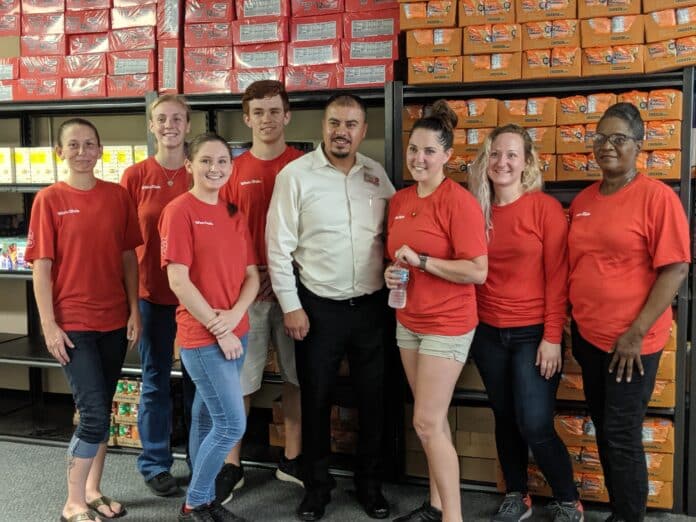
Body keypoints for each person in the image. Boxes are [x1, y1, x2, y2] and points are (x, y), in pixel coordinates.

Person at [266, 94, 395, 521]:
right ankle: (316, 488)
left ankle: (369, 486)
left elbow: (397, 231)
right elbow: (278, 248)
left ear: (364, 130)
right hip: (317, 308)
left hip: (372, 309)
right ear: (324, 126)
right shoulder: (295, 176)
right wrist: (291, 306)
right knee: (316, 400)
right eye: (335, 122)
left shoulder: (376, 176)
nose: (342, 131)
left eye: (352, 124)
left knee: (373, 401)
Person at [568, 103, 689, 522]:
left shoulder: (657, 198)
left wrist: (635, 332)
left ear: (639, 145)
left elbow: (675, 269)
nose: (607, 146)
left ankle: (627, 516)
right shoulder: (584, 199)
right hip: (589, 339)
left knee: (620, 434)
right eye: (600, 137)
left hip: (631, 345)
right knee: (604, 427)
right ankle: (621, 509)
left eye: (618, 138)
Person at [25, 118, 142, 522]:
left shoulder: (118, 196)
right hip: (71, 322)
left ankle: (92, 490)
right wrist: (48, 324)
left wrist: (134, 310)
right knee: (92, 411)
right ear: (59, 152)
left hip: (113, 319)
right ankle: (72, 501)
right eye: (72, 145)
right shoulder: (49, 199)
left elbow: (129, 257)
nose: (81, 151)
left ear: (100, 150)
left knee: (101, 407)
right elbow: (41, 266)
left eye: (89, 144)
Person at [468, 124, 583, 522]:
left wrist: (552, 337)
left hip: (534, 334)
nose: (502, 162)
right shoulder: (474, 209)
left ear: (527, 162)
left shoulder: (545, 209)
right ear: (486, 160)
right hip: (487, 333)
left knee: (534, 422)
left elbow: (558, 278)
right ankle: (517, 494)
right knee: (505, 417)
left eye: (512, 155)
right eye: (495, 154)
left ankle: (568, 500)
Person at [384, 100, 487, 522]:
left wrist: (424, 261)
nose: (418, 158)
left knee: (425, 423)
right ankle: (437, 504)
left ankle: (453, 518)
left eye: (429, 151)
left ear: (447, 156)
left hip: (447, 325)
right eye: (414, 150)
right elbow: (395, 256)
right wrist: (394, 273)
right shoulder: (401, 199)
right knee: (433, 419)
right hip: (409, 320)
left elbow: (477, 271)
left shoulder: (458, 202)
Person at [159, 132, 259, 522]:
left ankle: (201, 498)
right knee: (232, 422)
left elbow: (252, 275)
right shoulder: (179, 211)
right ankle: (196, 502)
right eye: (206, 161)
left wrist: (235, 316)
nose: (215, 168)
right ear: (189, 165)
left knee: (205, 416)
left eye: (222, 161)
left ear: (231, 168)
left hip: (238, 329)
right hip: (204, 337)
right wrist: (221, 328)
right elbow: (178, 280)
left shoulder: (234, 213)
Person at [216, 80, 305, 504]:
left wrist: (288, 277)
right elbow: (223, 235)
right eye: (259, 112)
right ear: (247, 118)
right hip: (246, 294)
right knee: (241, 382)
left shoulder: (305, 165)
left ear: (286, 116)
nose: (267, 120)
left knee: (295, 377)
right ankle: (232, 465)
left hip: (295, 294)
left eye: (274, 111)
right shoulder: (233, 170)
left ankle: (292, 460)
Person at [120, 93, 195, 497]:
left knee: (198, 383)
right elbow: (125, 245)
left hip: (197, 300)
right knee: (154, 381)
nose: (169, 126)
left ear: (188, 124)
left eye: (177, 119)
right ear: (151, 126)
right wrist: (131, 302)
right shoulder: (134, 176)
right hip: (151, 295)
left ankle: (201, 460)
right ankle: (155, 463)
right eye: (161, 119)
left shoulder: (200, 170)